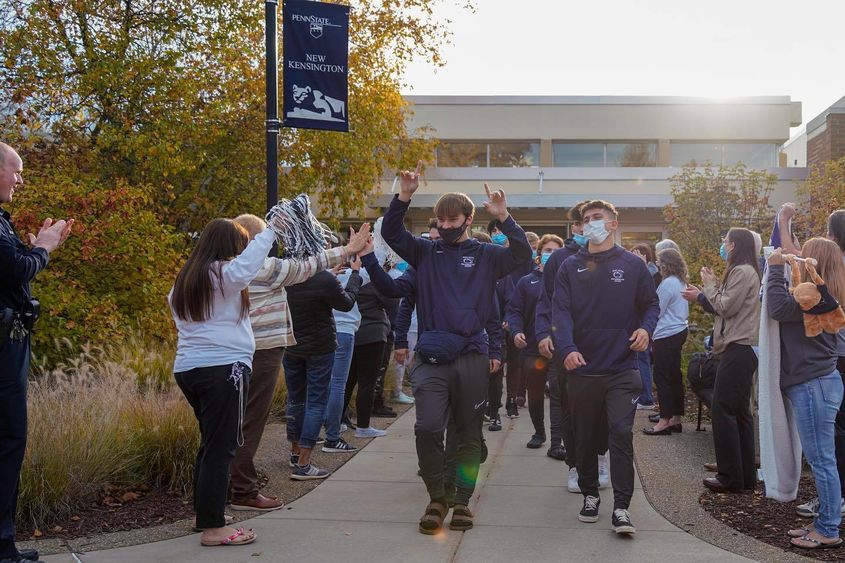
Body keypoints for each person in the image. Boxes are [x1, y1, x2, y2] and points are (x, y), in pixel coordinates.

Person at [382, 162, 531, 535]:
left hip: (472, 356)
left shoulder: (486, 256)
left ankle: (461, 500)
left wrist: (505, 218)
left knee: (468, 432)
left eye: (453, 220)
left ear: (468, 219)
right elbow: (392, 232)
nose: (446, 227)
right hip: (432, 356)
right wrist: (403, 196)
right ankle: (437, 497)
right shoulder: (424, 252)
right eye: (441, 221)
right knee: (429, 426)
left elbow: (523, 256)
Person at [225, 216, 369, 510]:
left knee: (290, 402)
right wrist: (348, 255)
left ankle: (283, 458)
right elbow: (317, 280)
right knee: (295, 407)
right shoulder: (267, 269)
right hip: (284, 349)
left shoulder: (226, 270)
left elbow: (302, 271)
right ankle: (283, 471)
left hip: (270, 350)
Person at [552, 200, 659, 535]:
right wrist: (567, 348)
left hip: (622, 368)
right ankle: (589, 495)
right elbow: (561, 312)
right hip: (582, 368)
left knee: (620, 433)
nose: (591, 223)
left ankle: (623, 508)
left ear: (614, 223)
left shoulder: (633, 265)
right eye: (586, 220)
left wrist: (646, 329)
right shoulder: (569, 266)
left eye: (598, 218)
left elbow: (651, 304)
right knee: (584, 437)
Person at [169, 218, 277, 547]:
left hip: (190, 369)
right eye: (239, 245)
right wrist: (272, 229)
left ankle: (206, 515)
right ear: (230, 246)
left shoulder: (185, 280)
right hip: (224, 369)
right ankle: (213, 529)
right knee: (221, 448)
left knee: (210, 444)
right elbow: (247, 264)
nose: (242, 252)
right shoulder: (222, 274)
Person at [0, 142, 73, 563]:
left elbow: (12, 269)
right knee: (9, 438)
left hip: (11, 338)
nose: (21, 179)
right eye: (17, 171)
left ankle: (4, 543)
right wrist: (42, 249)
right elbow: (16, 270)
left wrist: (35, 252)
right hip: (3, 348)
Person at [767, 240, 845, 549]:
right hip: (820, 382)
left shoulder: (813, 296)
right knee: (822, 460)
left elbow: (776, 307)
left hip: (814, 385)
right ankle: (824, 521)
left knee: (822, 461)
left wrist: (774, 269)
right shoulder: (822, 294)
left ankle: (828, 529)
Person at [535, 201, 610, 479]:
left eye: (591, 221)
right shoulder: (558, 259)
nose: (585, 227)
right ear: (574, 226)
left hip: (602, 347)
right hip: (565, 344)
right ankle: (575, 464)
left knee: (601, 406)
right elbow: (547, 301)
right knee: (569, 405)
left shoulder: (613, 257)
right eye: (580, 222)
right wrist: (543, 333)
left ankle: (600, 456)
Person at [284, 242, 364, 479]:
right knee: (316, 402)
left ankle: (295, 452)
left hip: (291, 345)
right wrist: (356, 275)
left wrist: (331, 274)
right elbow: (347, 303)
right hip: (320, 347)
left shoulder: (285, 277)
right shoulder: (323, 281)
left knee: (295, 400)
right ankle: (305, 463)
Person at [699, 228, 761, 494]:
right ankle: (745, 475)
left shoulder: (741, 271)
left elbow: (725, 306)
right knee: (739, 412)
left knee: (722, 408)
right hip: (745, 346)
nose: (723, 246)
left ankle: (730, 476)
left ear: (734, 245)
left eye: (725, 241)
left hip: (739, 345)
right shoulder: (748, 271)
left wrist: (710, 284)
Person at [506, 234, 564, 448]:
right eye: (548, 250)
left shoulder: (567, 280)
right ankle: (539, 433)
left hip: (560, 347)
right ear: (539, 254)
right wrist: (516, 331)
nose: (552, 255)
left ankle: (557, 441)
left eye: (557, 251)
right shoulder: (526, 282)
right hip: (532, 348)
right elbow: (514, 311)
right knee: (536, 393)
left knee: (558, 393)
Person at [642, 248, 690, 436]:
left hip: (666, 334)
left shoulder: (667, 283)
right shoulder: (680, 281)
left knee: (662, 377)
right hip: (679, 330)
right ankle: (675, 418)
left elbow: (657, 310)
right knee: (674, 376)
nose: (659, 265)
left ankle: (664, 421)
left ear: (666, 263)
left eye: (660, 261)